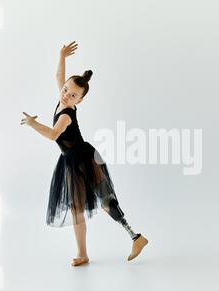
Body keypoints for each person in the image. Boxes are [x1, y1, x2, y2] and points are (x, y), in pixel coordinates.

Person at [21, 41, 148, 266]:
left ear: (80, 101)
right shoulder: (63, 98)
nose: (66, 94)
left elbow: (52, 135)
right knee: (76, 208)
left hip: (85, 160)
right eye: (66, 90)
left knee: (105, 199)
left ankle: (135, 237)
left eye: (73, 95)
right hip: (71, 162)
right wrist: (61, 56)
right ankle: (83, 254)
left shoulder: (66, 115)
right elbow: (59, 76)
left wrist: (33, 124)